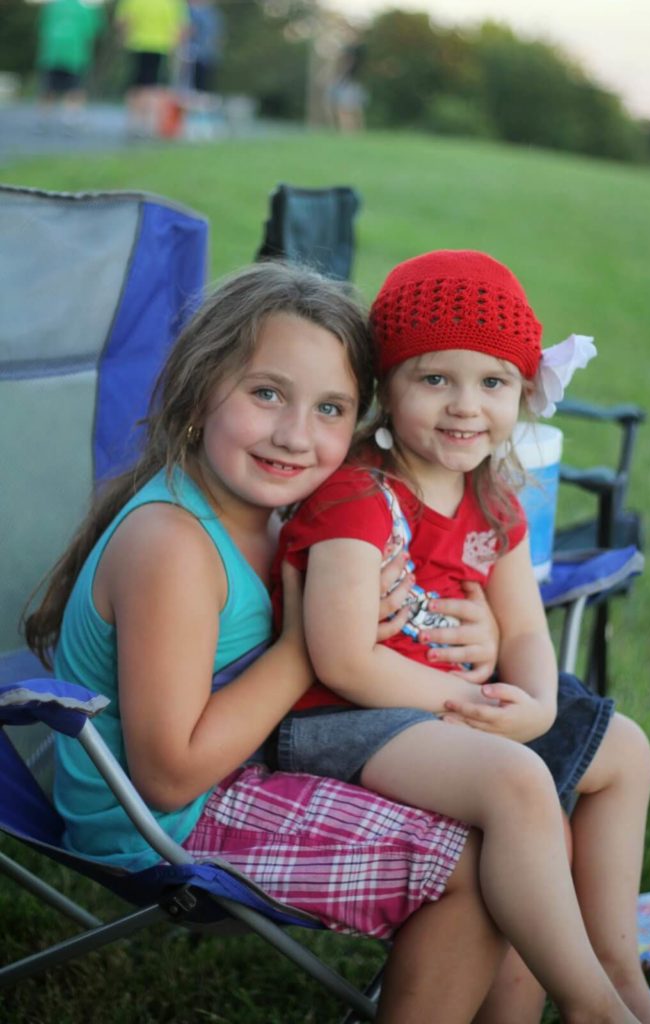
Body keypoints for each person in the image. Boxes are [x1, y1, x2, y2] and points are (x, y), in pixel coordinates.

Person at [25, 260, 513, 1024]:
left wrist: (473, 624)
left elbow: (404, 598)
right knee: (477, 867)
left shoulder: (293, 511)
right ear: (198, 391)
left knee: (513, 834)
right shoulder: (175, 546)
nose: (295, 434)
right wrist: (303, 651)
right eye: (266, 394)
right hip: (161, 826)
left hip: (257, 760)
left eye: (330, 409)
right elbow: (168, 775)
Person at [273, 249, 650, 1022]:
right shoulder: (358, 495)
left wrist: (538, 705)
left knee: (626, 750)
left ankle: (616, 962)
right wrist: (477, 701)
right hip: (345, 722)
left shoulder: (495, 495)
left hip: (451, 713)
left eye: (493, 383)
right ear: (386, 386)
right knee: (518, 784)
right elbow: (343, 659)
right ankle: (593, 1007)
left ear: (522, 389)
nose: (465, 407)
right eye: (434, 379)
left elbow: (523, 627)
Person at [115, 0, 188, 136]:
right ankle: (147, 123)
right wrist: (176, 49)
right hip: (160, 46)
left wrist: (123, 39)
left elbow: (122, 21)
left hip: (136, 44)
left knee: (136, 84)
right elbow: (180, 28)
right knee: (152, 86)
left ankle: (134, 122)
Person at [36, 0, 104, 125]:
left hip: (52, 53)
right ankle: (71, 118)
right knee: (75, 89)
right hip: (75, 54)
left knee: (48, 88)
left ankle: (44, 118)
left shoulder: (52, 7)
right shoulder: (85, 9)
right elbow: (93, 30)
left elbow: (42, 28)